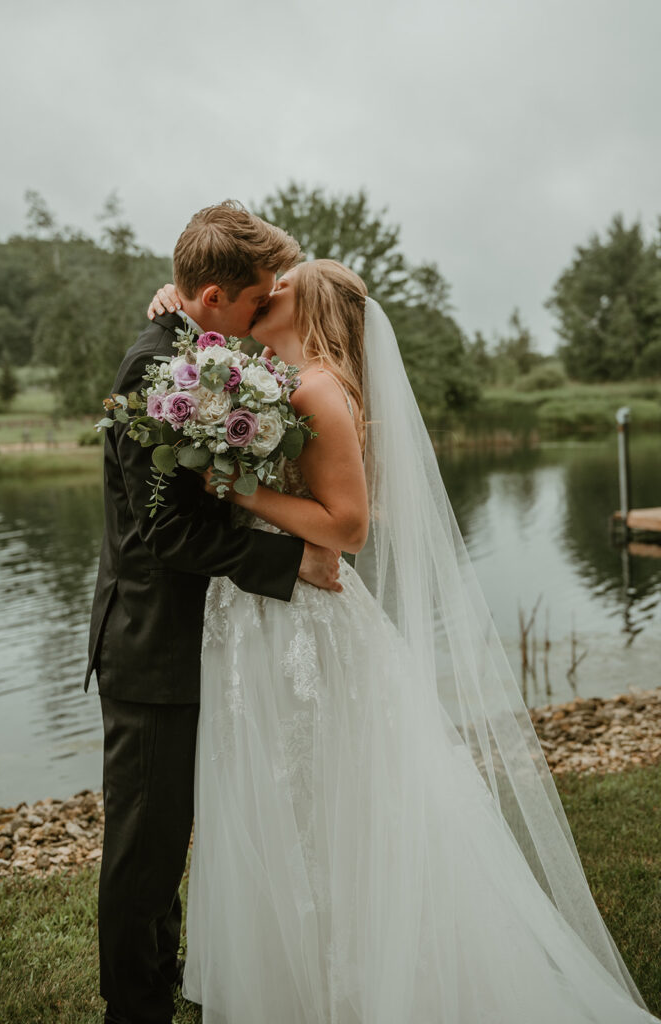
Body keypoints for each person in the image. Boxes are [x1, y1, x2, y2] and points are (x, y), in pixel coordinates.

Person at [147, 260, 657, 1023]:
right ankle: (294, 978)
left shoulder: (316, 387)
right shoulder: (274, 375)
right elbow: (212, 316)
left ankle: (344, 980)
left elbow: (348, 528)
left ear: (306, 302)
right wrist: (175, 306)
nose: (267, 288)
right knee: (285, 794)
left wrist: (240, 489)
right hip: (262, 610)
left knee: (319, 793)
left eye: (279, 282)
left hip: (305, 620)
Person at [85, 202, 343, 1024]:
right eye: (257, 296)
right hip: (151, 645)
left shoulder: (194, 342)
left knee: (169, 841)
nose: (265, 308)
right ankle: (135, 1006)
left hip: (195, 641)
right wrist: (287, 559)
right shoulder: (150, 370)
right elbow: (164, 533)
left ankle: (159, 985)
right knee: (144, 852)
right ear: (212, 296)